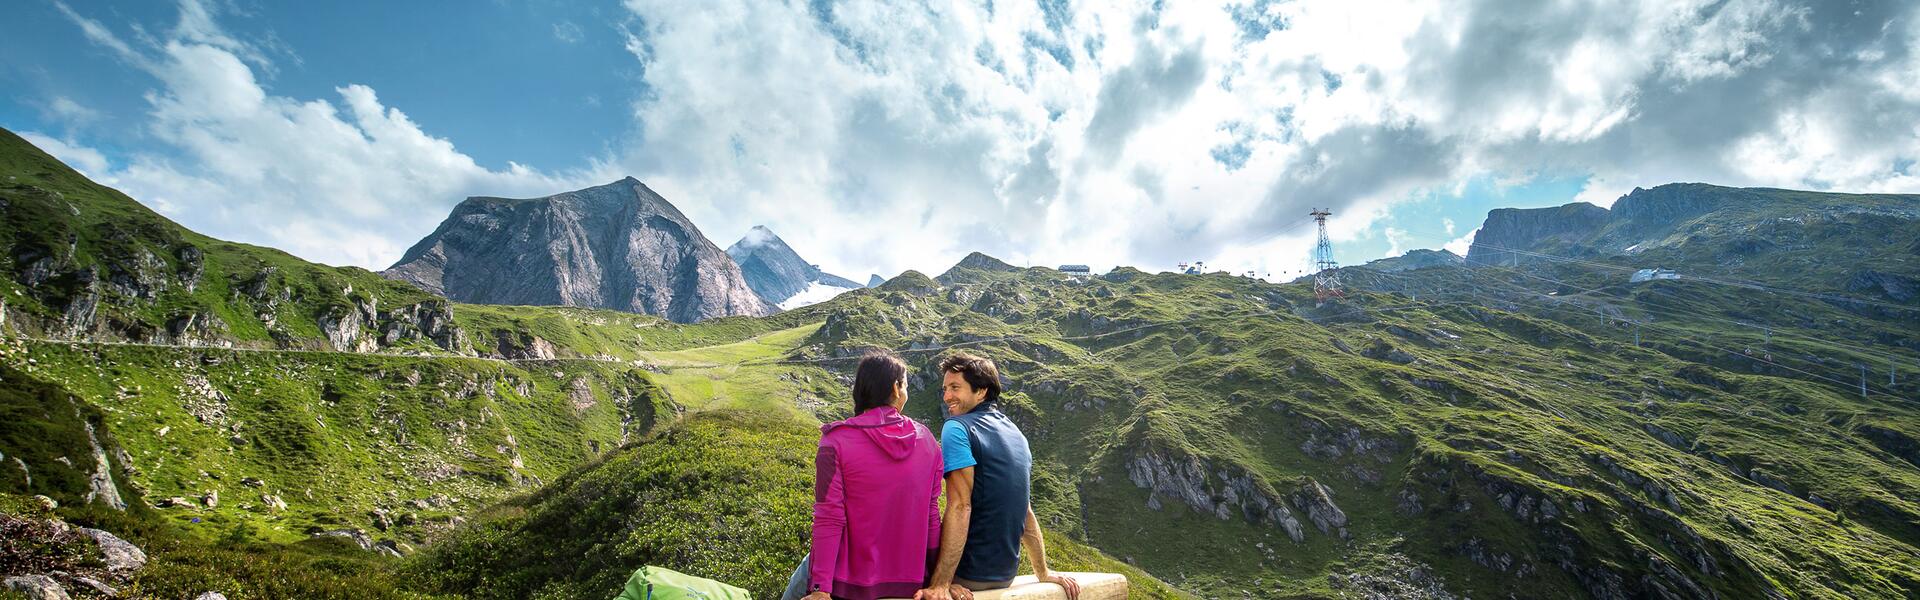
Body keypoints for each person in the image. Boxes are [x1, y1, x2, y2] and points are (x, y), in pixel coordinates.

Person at [783, 351, 950, 600]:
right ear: (896, 388)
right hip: (912, 582)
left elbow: (828, 516)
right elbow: (931, 517)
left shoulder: (835, 441)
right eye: (905, 385)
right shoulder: (926, 440)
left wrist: (820, 588)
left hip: (847, 585)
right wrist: (940, 579)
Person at [916, 351, 1079, 600]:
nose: (947, 396)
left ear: (981, 391)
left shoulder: (957, 428)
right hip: (1005, 574)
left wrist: (941, 583)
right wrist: (1043, 572)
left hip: (968, 574)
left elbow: (960, 506)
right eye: (945, 388)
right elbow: (1024, 510)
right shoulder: (1016, 434)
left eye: (955, 387)